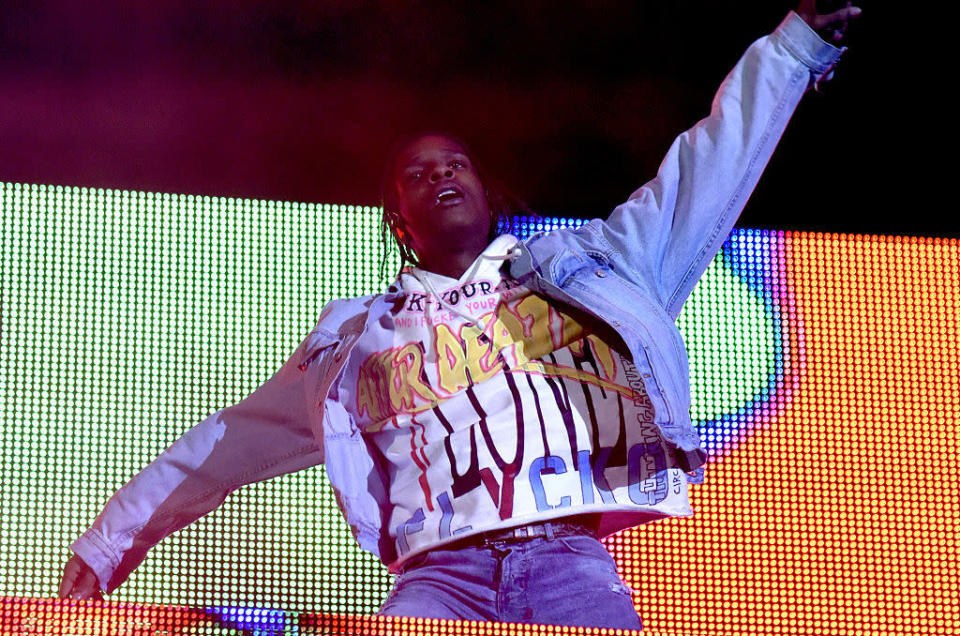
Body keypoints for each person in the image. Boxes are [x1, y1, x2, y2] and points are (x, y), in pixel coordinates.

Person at [60, 3, 861, 629]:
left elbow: (708, 164)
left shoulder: (591, 268)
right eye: (419, 171)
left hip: (566, 563)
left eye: (458, 163)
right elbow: (224, 446)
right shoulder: (354, 343)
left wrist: (791, 49)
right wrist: (107, 544)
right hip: (437, 577)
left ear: (485, 192)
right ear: (398, 216)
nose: (442, 173)